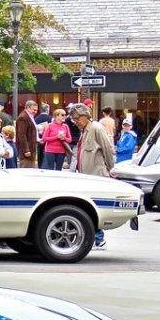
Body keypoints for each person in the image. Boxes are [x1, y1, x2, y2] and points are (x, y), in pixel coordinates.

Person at [71, 103, 116, 248]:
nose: (76, 121)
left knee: (94, 207)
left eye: (77, 118)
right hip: (86, 175)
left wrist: (111, 168)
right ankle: (95, 237)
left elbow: (108, 149)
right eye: (74, 119)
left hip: (96, 175)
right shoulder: (85, 130)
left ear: (86, 116)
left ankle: (98, 238)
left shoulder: (96, 128)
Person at [16, 99, 40, 169]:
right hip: (27, 150)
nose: (35, 112)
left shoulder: (29, 116)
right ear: (28, 107)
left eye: (36, 110)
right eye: (34, 110)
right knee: (26, 168)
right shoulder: (23, 117)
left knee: (31, 168)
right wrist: (26, 149)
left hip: (31, 148)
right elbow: (21, 135)